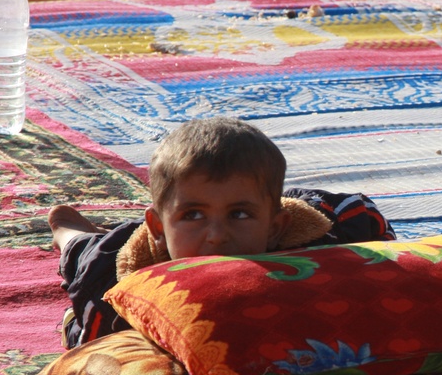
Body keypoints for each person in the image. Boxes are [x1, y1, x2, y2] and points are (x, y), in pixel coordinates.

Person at [49, 117, 395, 350]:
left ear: (275, 229)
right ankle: (71, 232)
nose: (216, 236)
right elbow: (87, 347)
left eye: (239, 215)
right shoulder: (117, 292)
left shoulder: (325, 236)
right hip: (116, 249)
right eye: (194, 214)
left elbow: (375, 231)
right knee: (82, 249)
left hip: (286, 208)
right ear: (158, 228)